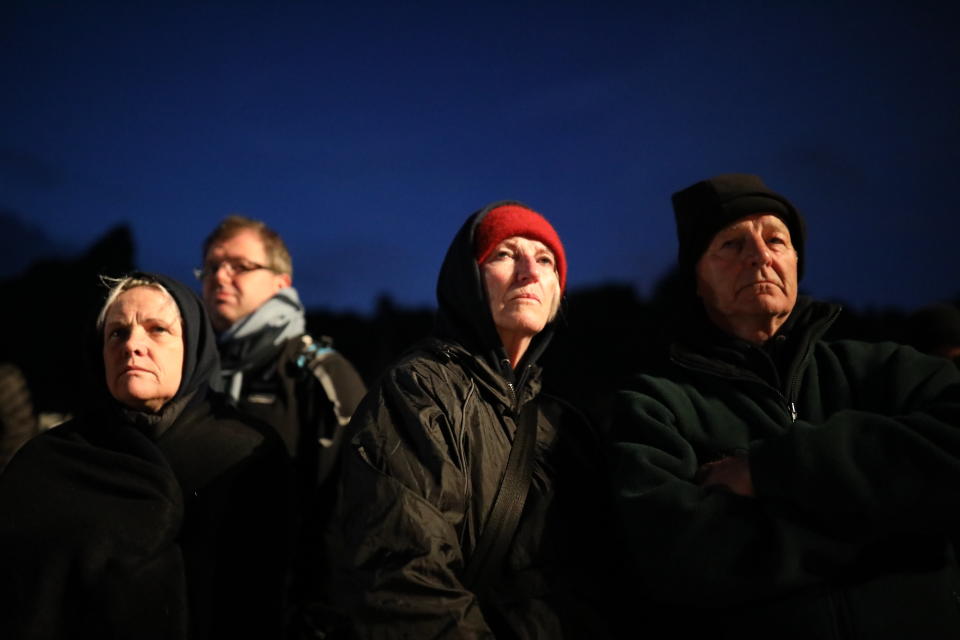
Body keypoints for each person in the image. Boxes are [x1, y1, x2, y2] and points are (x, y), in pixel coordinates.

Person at [607, 173, 960, 638]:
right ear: (696, 276)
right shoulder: (655, 405)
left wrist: (770, 470)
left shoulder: (885, 369)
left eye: (777, 240)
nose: (760, 256)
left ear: (796, 262)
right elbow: (679, 559)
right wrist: (890, 522)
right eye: (731, 245)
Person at [327, 201, 621, 638]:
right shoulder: (418, 390)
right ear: (467, 280)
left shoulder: (566, 423)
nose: (529, 272)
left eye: (545, 260)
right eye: (504, 254)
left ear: (559, 291)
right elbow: (405, 575)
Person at [0, 272, 292, 639]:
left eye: (157, 329)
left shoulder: (246, 453)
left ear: (194, 346)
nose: (132, 345)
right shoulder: (50, 462)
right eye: (117, 333)